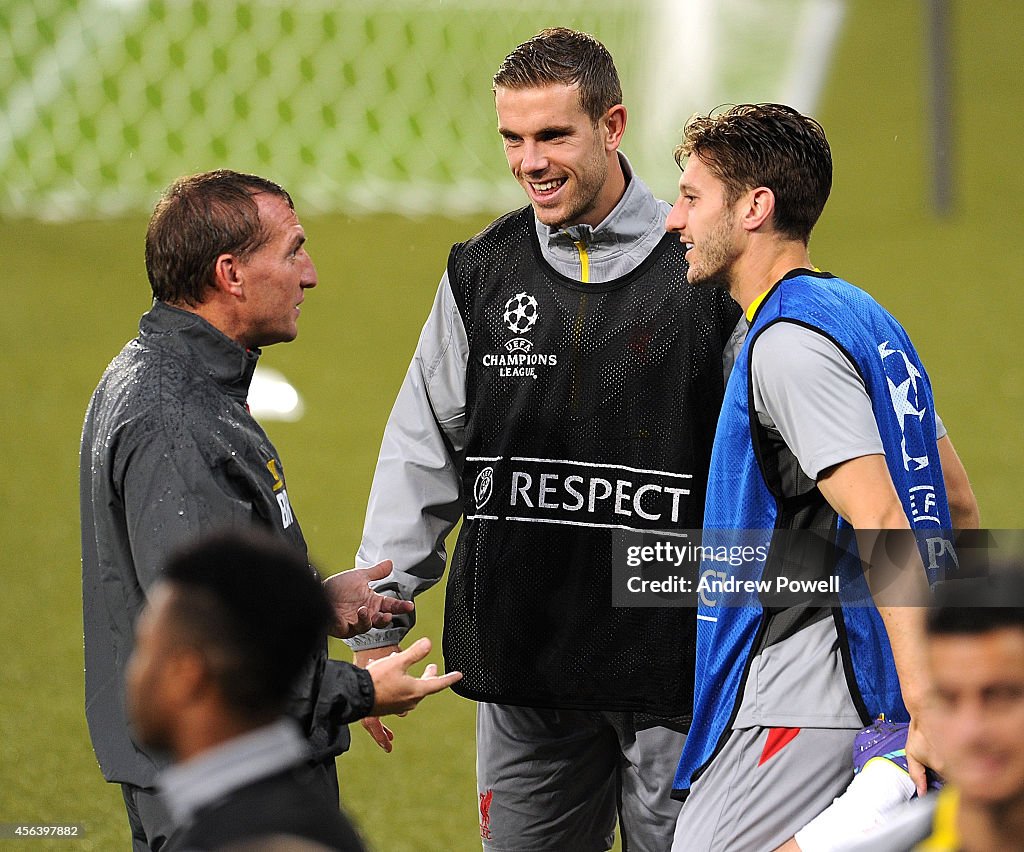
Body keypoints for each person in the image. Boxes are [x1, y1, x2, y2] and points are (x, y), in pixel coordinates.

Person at [345, 27, 741, 852]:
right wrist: (379, 624)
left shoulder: (702, 266)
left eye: (553, 135)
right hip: (527, 658)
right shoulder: (482, 272)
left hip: (674, 664)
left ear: (613, 126)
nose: (531, 161)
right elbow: (422, 448)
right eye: (513, 139)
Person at [80, 170, 458, 851]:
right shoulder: (176, 421)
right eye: (292, 251)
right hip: (219, 780)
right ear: (230, 274)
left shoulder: (178, 379)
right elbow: (214, 650)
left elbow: (205, 592)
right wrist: (363, 690)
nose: (309, 274)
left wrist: (314, 602)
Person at [663, 104, 979, 851]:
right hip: (863, 674)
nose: (674, 218)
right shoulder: (862, 315)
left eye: (692, 196)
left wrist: (927, 697)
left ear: (754, 208)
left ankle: (897, 780)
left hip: (807, 685)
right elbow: (955, 502)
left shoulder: (787, 346)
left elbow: (884, 521)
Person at [125, 530, 371, 851]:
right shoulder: (314, 820)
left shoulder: (239, 841)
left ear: (188, 674)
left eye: (145, 649)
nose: (132, 673)